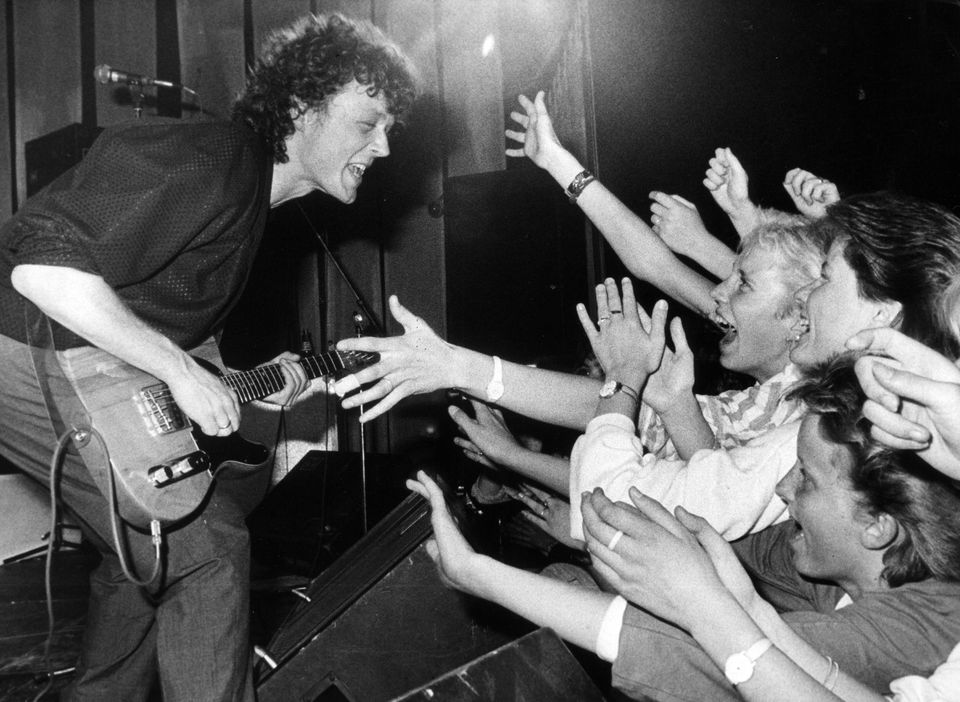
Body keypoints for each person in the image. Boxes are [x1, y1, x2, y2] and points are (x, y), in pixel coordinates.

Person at [0, 13, 417, 701]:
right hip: (24, 350)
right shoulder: (216, 155)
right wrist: (178, 370)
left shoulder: (248, 198)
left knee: (149, 556)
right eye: (369, 122)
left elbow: (159, 331)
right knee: (210, 550)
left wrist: (234, 383)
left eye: (390, 127)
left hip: (67, 360)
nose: (385, 146)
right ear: (302, 107)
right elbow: (41, 266)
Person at [407, 353, 960, 702]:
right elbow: (679, 526)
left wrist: (480, 575)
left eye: (807, 479)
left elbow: (690, 651)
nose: (783, 489)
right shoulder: (818, 558)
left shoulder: (916, 631)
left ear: (878, 526)